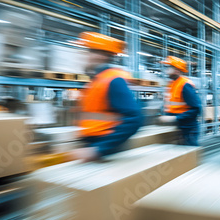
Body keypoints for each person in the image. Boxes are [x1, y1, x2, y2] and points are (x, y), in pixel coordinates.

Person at [69, 32, 143, 162]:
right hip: (94, 147)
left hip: (109, 151)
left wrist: (98, 149)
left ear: (101, 56)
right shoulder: (96, 80)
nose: (84, 56)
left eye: (88, 51)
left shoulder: (113, 80)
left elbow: (135, 119)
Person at [159, 56, 201, 146]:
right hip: (177, 126)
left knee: (189, 155)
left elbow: (196, 109)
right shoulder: (172, 84)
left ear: (177, 70)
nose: (166, 70)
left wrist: (175, 118)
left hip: (188, 128)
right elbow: (171, 104)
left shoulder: (185, 85)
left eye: (169, 68)